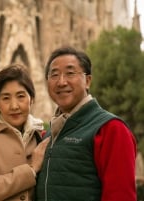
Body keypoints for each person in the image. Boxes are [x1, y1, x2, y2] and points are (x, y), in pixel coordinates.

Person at [35, 46, 137, 201]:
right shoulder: (49, 134)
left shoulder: (111, 129)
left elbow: (120, 195)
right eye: (54, 75)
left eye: (70, 73)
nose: (61, 82)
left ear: (87, 81)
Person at [0, 64, 50, 201]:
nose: (14, 106)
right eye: (6, 98)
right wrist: (31, 170)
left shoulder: (39, 136)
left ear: (32, 99)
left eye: (21, 96)